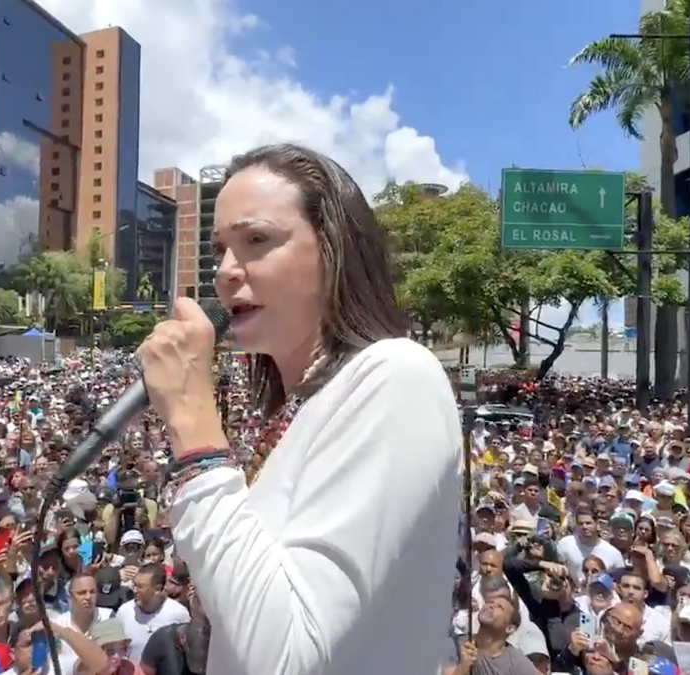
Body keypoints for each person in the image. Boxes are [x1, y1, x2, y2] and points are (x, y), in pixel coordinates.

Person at [136, 143, 462, 673]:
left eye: (257, 240)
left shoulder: (398, 374)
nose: (225, 272)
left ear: (334, 251)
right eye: (219, 249)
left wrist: (192, 424)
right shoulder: (298, 410)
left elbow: (286, 657)